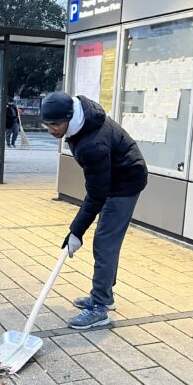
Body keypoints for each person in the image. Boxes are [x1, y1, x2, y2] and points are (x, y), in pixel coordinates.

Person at [41, 91, 147, 330]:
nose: (51, 130)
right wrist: (76, 231)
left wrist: (76, 231)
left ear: (69, 117)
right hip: (113, 178)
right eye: (46, 124)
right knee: (104, 240)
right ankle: (104, 295)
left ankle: (100, 307)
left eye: (55, 124)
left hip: (125, 182)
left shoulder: (93, 142)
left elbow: (97, 194)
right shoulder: (83, 122)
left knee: (104, 242)